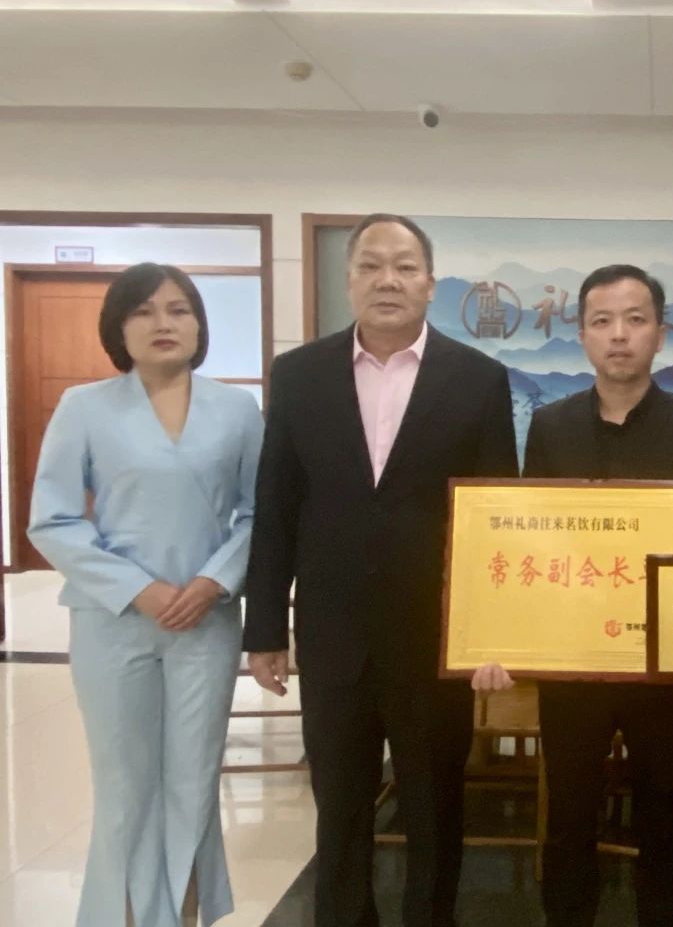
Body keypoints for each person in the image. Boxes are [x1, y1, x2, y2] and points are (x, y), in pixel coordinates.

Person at [243, 214, 518, 927]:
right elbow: (277, 505)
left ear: (430, 283)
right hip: (334, 635)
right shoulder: (299, 375)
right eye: (370, 265)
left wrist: (494, 634)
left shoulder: (479, 379)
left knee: (435, 810)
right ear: (349, 280)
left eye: (404, 266)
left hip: (436, 641)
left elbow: (496, 518)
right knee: (339, 811)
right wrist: (264, 627)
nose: (386, 280)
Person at [471, 264, 673, 927]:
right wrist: (502, 638)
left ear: (660, 335)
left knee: (665, 812)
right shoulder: (551, 428)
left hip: (663, 668)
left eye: (635, 320)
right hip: (573, 662)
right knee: (569, 815)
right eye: (602, 321)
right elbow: (530, 542)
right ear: (581, 334)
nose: (619, 335)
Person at [28, 263, 262, 927]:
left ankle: (182, 917)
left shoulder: (238, 411)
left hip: (206, 622)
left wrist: (214, 580)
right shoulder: (84, 407)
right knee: (125, 787)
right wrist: (138, 589)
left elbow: (259, 513)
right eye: (145, 311)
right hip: (113, 623)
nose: (164, 323)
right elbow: (52, 520)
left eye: (180, 310)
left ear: (200, 325)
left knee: (193, 783)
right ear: (119, 327)